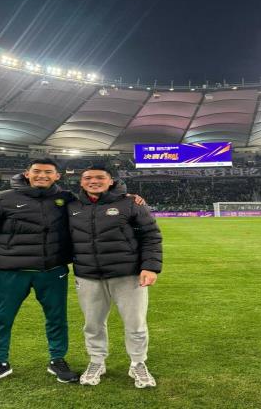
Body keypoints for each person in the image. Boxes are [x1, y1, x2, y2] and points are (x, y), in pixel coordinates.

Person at [0, 158, 79, 386]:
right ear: (27, 173)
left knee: (57, 318)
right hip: (12, 270)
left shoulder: (67, 199)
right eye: (37, 171)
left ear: (57, 176)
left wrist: (129, 197)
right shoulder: (2, 198)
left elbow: (96, 204)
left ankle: (57, 360)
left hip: (52, 270)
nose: (42, 175)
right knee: (2, 318)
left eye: (48, 172)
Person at [67, 166, 162, 388]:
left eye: (100, 177)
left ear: (111, 181)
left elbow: (151, 235)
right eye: (88, 178)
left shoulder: (130, 203)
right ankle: (96, 362)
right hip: (88, 275)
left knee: (135, 323)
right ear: (81, 182)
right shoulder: (71, 205)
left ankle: (137, 363)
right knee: (93, 324)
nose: (94, 181)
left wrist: (150, 267)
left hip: (128, 275)